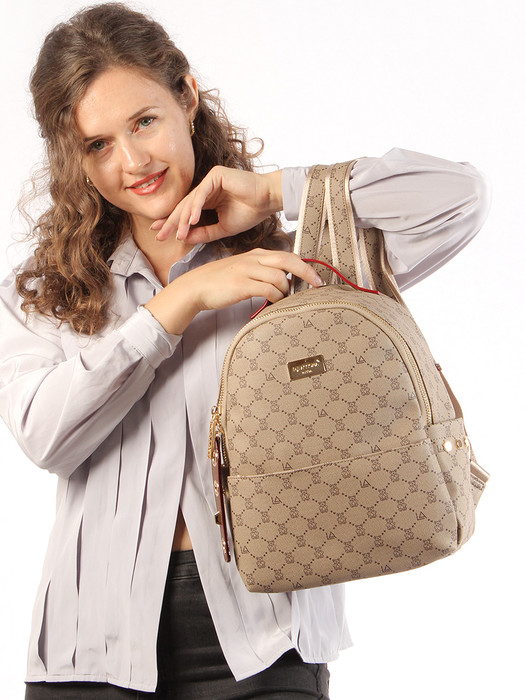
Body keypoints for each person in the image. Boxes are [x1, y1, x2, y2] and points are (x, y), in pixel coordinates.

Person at [0, 3, 490, 699]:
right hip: (89, 647)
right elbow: (46, 437)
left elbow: (460, 197)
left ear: (186, 96)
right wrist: (178, 304)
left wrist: (275, 191)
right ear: (72, 156)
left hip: (267, 640)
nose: (133, 161)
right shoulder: (46, 290)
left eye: (144, 121)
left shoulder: (294, 257)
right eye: (98, 144)